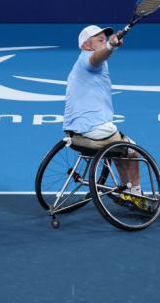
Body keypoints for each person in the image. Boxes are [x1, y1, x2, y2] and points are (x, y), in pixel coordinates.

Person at [62, 25, 150, 212]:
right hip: (94, 130)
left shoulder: (86, 64)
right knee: (133, 152)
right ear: (86, 45)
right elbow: (97, 57)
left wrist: (111, 46)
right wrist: (110, 46)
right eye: (97, 36)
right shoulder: (87, 59)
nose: (102, 36)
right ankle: (137, 193)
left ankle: (126, 190)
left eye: (104, 34)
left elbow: (102, 56)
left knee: (118, 149)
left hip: (75, 133)